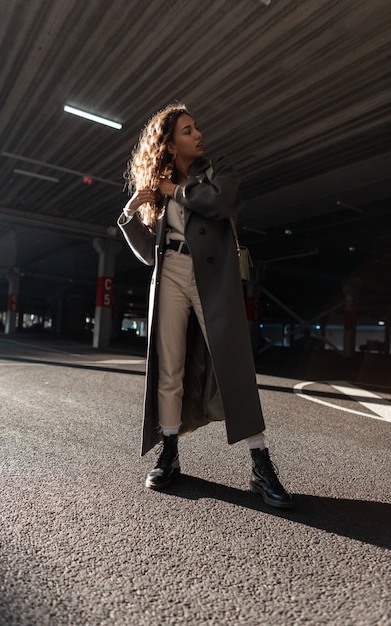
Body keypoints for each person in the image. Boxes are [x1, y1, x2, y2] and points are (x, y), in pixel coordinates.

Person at [117, 103, 293, 509]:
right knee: (170, 366)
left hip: (211, 278)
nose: (198, 134)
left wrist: (173, 191)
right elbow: (149, 255)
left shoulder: (219, 170)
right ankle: (170, 453)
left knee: (234, 366)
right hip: (169, 275)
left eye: (196, 128)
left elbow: (221, 203)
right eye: (187, 130)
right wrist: (129, 216)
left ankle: (260, 464)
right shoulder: (158, 189)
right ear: (169, 143)